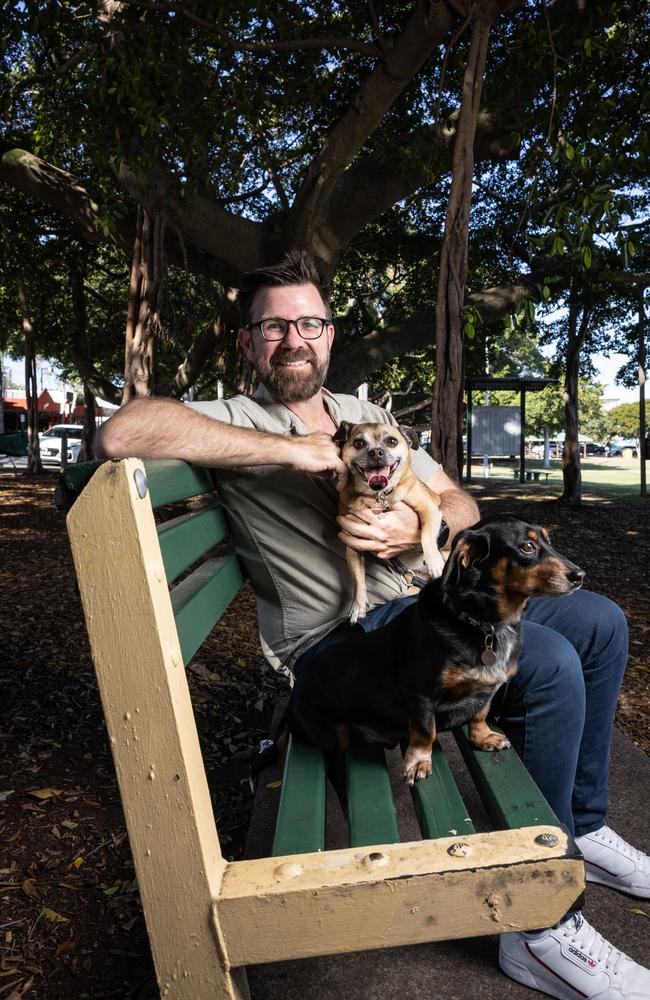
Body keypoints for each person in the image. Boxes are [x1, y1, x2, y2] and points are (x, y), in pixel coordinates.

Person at [96, 251, 650, 999]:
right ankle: (541, 925)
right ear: (247, 342)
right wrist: (289, 451)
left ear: (330, 332)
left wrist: (413, 534)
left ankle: (578, 824)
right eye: (273, 327)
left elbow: (459, 504)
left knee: (601, 624)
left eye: (310, 322)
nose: (294, 339)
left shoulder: (373, 421)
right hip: (347, 637)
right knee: (544, 661)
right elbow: (124, 430)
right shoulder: (235, 417)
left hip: (425, 597)